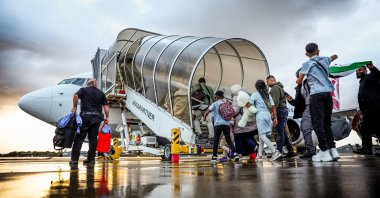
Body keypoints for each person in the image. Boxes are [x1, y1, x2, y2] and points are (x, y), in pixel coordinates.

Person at [296, 43, 339, 162]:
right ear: (318, 51)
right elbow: (334, 56)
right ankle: (333, 150)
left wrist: (299, 78)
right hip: (328, 94)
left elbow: (299, 81)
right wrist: (332, 57)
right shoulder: (325, 59)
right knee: (327, 123)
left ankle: (324, 151)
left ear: (306, 54)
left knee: (317, 124)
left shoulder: (306, 64)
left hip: (316, 95)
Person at [70, 78, 109, 166]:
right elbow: (106, 107)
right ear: (95, 84)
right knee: (93, 139)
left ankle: (74, 160)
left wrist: (74, 107)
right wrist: (107, 117)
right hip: (97, 117)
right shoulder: (101, 93)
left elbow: (76, 96)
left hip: (85, 116)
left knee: (79, 138)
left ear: (88, 84)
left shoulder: (83, 90)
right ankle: (91, 160)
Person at [247, 80, 282, 161]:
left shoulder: (255, 94)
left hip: (260, 115)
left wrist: (246, 105)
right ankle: (259, 156)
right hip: (268, 115)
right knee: (261, 136)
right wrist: (275, 118)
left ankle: (275, 152)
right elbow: (273, 107)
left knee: (262, 136)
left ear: (256, 87)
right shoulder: (267, 95)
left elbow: (248, 105)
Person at [203, 90, 240, 162]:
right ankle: (235, 154)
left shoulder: (215, 104)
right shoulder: (227, 103)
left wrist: (204, 118)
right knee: (228, 140)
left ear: (217, 96)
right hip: (226, 124)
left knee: (216, 140)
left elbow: (207, 112)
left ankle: (214, 156)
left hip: (218, 124)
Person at [287, 69, 316, 159]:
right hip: (301, 112)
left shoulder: (309, 85)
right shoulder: (299, 87)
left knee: (308, 130)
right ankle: (309, 151)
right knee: (305, 130)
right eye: (298, 76)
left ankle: (313, 150)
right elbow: (298, 103)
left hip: (307, 111)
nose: (299, 77)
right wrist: (291, 101)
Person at [266, 75, 297, 159]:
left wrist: (272, 112)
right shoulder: (279, 87)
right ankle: (291, 151)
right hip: (282, 111)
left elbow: (274, 102)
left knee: (279, 132)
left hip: (279, 111)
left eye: (267, 81)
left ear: (271, 80)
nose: (267, 83)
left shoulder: (275, 88)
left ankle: (278, 153)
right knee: (282, 132)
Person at [354, 62, 380, 155]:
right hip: (368, 109)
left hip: (374, 107)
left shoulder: (370, 77)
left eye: (360, 69)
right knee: (369, 127)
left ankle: (367, 148)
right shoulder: (363, 80)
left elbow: (378, 75)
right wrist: (362, 109)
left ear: (365, 70)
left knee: (367, 127)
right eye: (356, 71)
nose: (357, 72)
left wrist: (372, 68)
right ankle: (367, 148)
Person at [230, 84, 258, 157]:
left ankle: (254, 147)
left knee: (241, 136)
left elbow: (235, 110)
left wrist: (229, 113)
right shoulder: (248, 94)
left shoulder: (237, 96)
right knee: (249, 136)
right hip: (251, 120)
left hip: (241, 121)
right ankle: (252, 154)